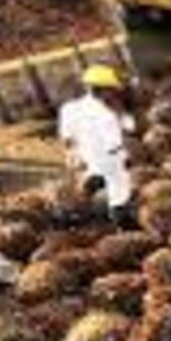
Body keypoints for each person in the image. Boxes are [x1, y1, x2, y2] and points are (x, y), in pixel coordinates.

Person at [58, 65, 138, 229]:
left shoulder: (69, 109)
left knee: (86, 196)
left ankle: (78, 220)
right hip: (107, 163)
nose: (115, 93)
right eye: (111, 90)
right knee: (119, 200)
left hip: (84, 165)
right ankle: (121, 227)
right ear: (101, 91)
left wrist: (73, 156)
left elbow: (67, 139)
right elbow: (117, 143)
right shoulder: (107, 114)